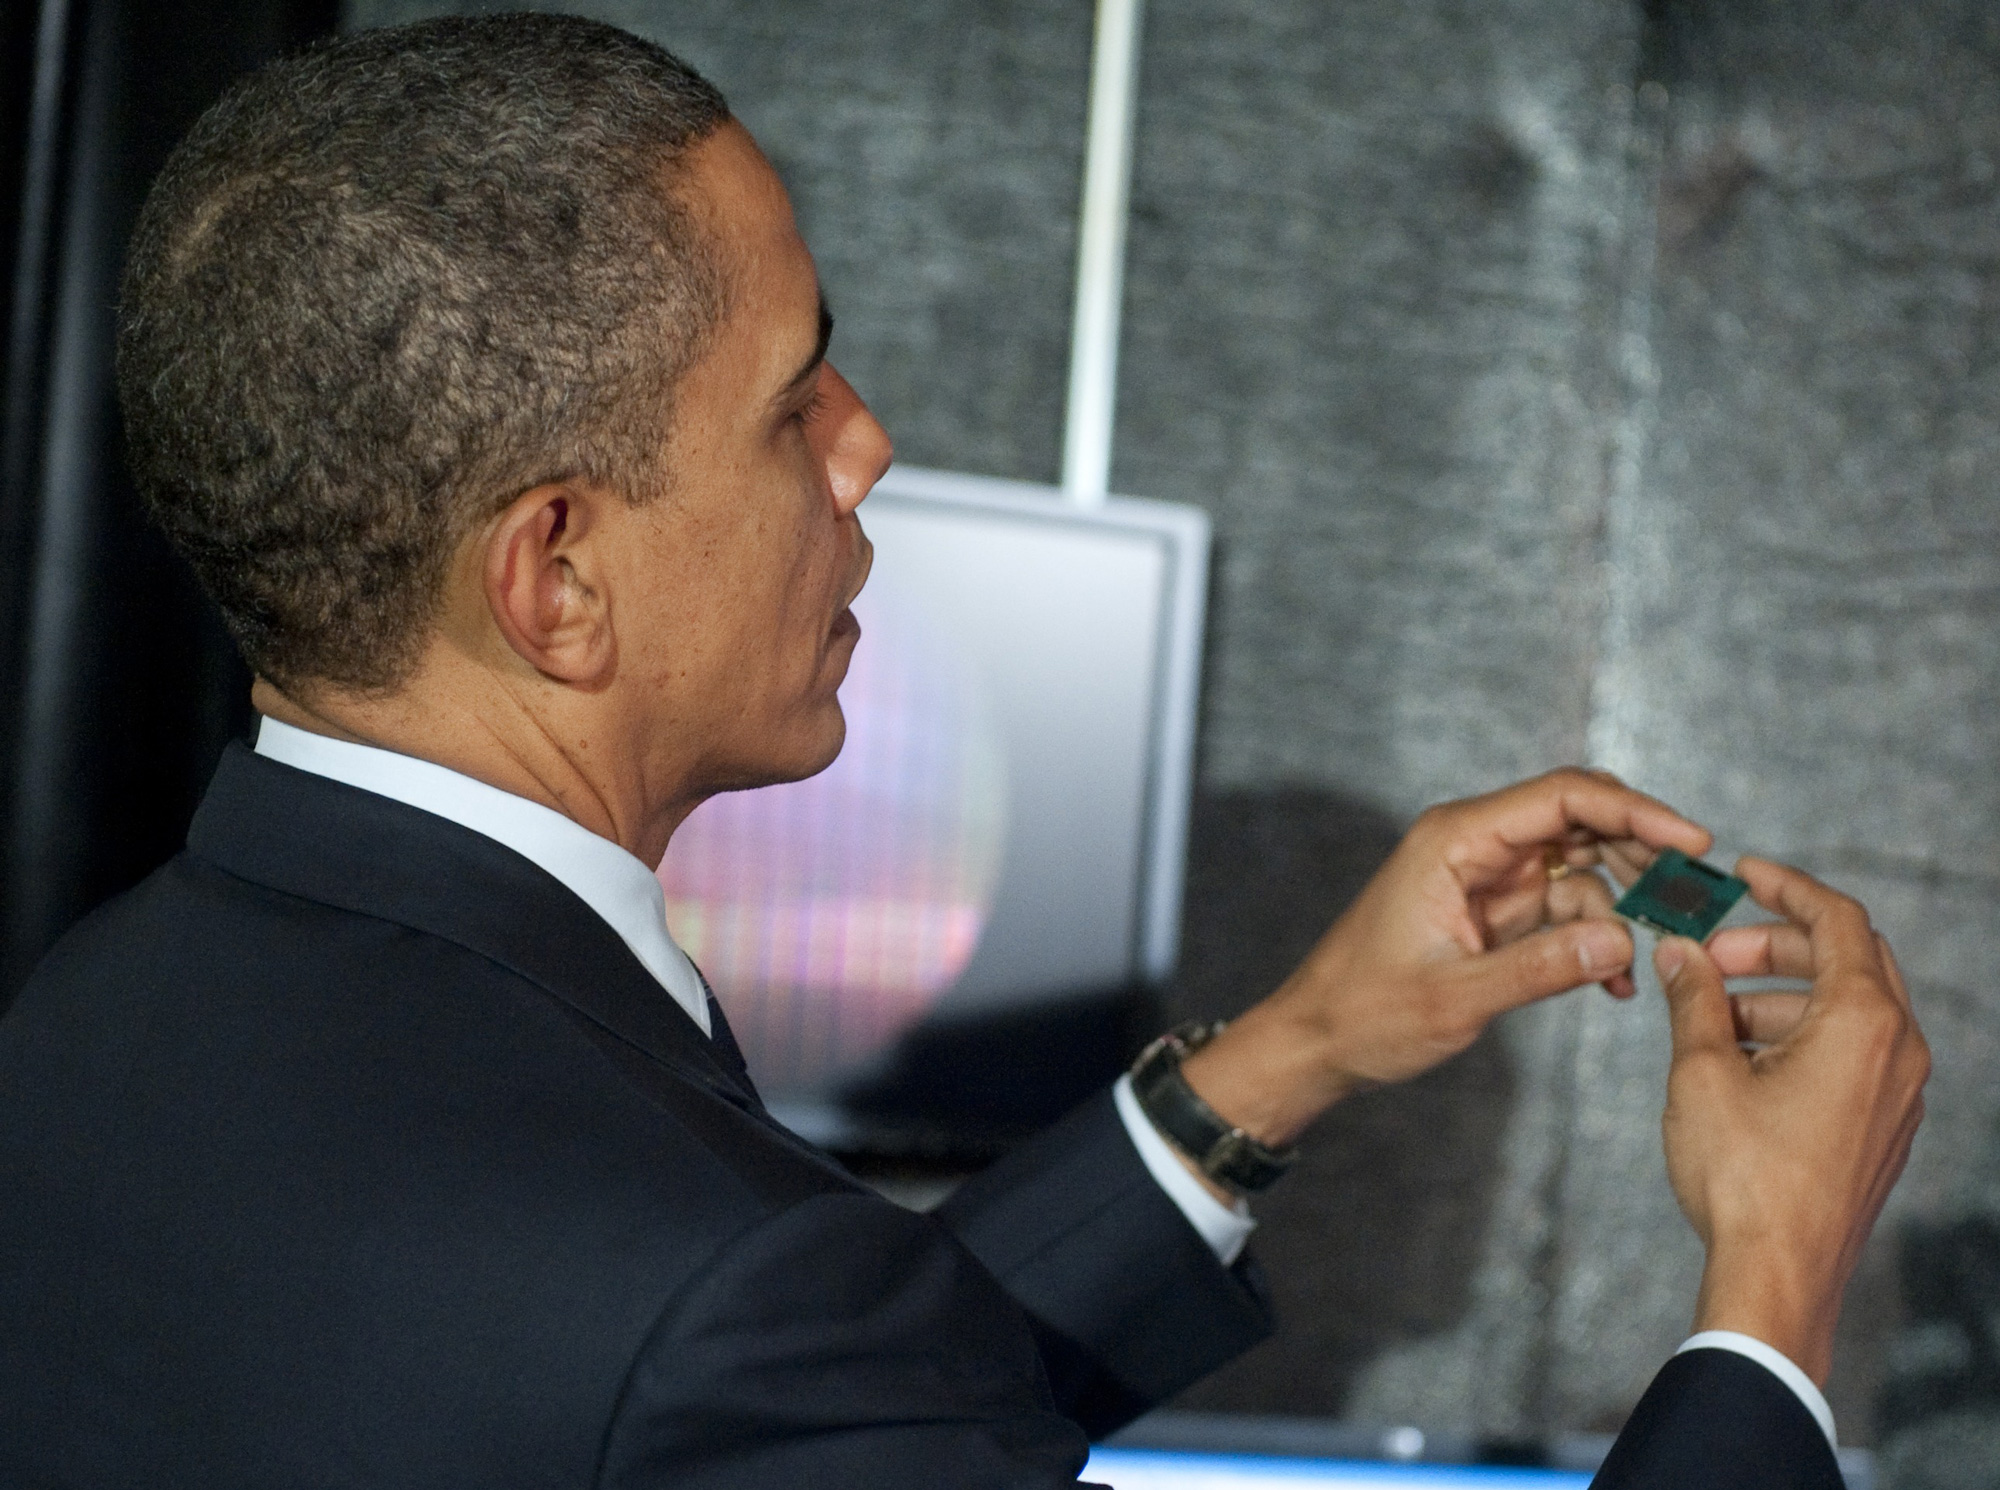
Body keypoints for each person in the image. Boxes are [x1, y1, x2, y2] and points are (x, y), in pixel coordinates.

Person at [0, 15, 1927, 1489]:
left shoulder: (82, 1028)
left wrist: (1296, 1051)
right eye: (792, 400)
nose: (870, 443)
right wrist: (1770, 1294)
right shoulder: (715, 1296)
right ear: (557, 576)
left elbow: (806, 1393)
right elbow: (755, 1356)